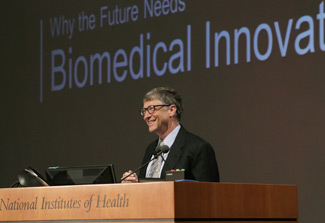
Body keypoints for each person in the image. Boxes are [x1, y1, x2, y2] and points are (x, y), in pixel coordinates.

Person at [121, 87, 219, 183]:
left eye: (151, 109)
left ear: (171, 110)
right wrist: (134, 184)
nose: (146, 116)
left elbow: (209, 194)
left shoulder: (198, 148)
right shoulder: (151, 148)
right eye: (144, 111)